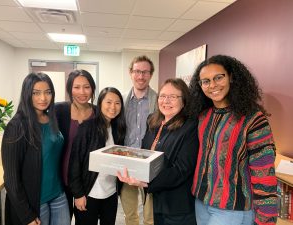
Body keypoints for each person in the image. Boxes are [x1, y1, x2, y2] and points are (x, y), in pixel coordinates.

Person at [188, 55, 278, 225]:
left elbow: (264, 172)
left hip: (233, 210)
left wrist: (266, 220)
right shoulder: (203, 116)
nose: (212, 85)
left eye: (218, 77)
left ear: (231, 77)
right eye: (205, 81)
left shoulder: (253, 119)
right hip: (201, 202)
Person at [118, 78, 198, 225]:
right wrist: (133, 170)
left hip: (177, 206)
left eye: (173, 97)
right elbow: (144, 154)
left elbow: (182, 170)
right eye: (162, 96)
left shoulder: (190, 127)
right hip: (157, 200)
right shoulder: (153, 121)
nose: (166, 101)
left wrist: (146, 181)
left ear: (184, 101)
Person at [1, 72, 70, 225]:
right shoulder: (17, 126)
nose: (43, 98)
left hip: (58, 194)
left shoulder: (52, 118)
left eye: (48, 92)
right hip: (35, 200)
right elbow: (11, 179)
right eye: (36, 93)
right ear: (27, 94)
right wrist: (27, 216)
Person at [68, 87, 126, 225]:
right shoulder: (87, 128)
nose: (113, 107)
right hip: (89, 193)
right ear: (100, 103)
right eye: (109, 102)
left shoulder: (118, 129)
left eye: (117, 103)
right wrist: (78, 194)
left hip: (110, 192)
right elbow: (74, 163)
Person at [120, 55, 157, 225]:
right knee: (130, 213)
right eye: (137, 71)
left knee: (150, 215)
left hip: (149, 162)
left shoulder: (159, 101)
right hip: (126, 161)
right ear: (130, 73)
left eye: (145, 72)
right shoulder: (121, 101)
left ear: (151, 74)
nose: (140, 76)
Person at [55, 69, 97, 219]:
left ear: (92, 89)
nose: (82, 92)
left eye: (87, 87)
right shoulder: (59, 110)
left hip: (87, 182)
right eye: (76, 87)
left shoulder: (98, 114)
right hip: (61, 181)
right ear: (69, 89)